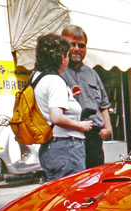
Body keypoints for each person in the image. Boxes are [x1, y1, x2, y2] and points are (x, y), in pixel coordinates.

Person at [33, 34, 93, 181]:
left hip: (49, 147)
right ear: (61, 58)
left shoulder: (37, 77)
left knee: (56, 195)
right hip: (67, 146)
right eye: (66, 55)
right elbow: (56, 117)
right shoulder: (55, 81)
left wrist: (68, 96)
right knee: (71, 194)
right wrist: (80, 125)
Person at [60, 25, 112, 169]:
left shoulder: (92, 74)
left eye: (81, 45)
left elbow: (103, 104)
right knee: (75, 181)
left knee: (96, 178)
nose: (77, 48)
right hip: (69, 137)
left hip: (93, 138)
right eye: (72, 44)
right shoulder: (58, 73)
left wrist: (108, 127)